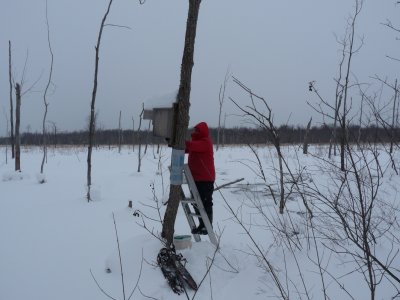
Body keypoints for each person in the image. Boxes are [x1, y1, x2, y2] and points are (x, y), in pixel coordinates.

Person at [185, 122, 215, 235]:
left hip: (205, 178)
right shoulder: (196, 143)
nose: (195, 132)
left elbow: (192, 146)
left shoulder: (205, 142)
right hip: (195, 179)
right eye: (195, 130)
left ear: (202, 132)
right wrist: (174, 143)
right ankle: (202, 224)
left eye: (197, 131)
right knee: (196, 202)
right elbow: (186, 148)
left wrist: (181, 142)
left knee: (206, 202)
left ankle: (207, 226)